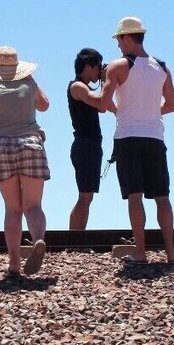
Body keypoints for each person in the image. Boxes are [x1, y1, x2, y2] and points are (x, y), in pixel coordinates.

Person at [100, 17, 174, 265]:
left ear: (126, 38)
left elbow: (104, 102)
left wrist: (119, 110)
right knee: (162, 197)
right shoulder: (162, 67)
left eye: (118, 40)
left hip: (127, 137)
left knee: (134, 196)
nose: (118, 45)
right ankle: (170, 253)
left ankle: (141, 252)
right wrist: (152, 111)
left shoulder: (116, 67)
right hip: (155, 137)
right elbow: (173, 105)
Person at [0, 46, 50, 276]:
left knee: (12, 208)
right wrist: (30, 80)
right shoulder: (29, 85)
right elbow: (45, 105)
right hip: (30, 143)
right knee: (33, 206)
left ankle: (14, 265)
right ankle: (37, 240)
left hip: (1, 147)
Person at [67, 48, 106, 230]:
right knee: (84, 195)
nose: (100, 71)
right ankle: (75, 239)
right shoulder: (77, 87)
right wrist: (107, 81)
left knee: (87, 195)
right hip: (85, 145)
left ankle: (78, 239)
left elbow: (102, 107)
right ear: (89, 67)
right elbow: (101, 103)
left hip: (90, 145)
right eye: (98, 67)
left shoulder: (85, 87)